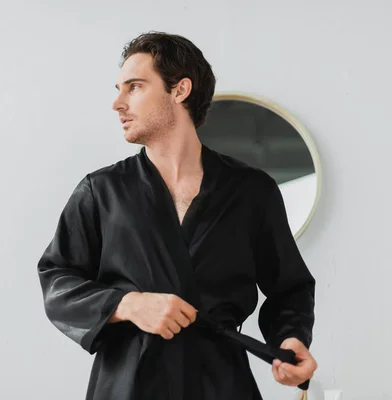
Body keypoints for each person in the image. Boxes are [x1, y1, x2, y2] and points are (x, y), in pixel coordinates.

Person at [37, 31, 317, 400]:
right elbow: (57, 280)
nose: (117, 103)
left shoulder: (251, 191)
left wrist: (290, 338)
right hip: (127, 385)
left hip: (222, 382)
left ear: (180, 90)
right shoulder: (101, 191)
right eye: (118, 88)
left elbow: (289, 288)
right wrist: (127, 304)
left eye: (134, 87)